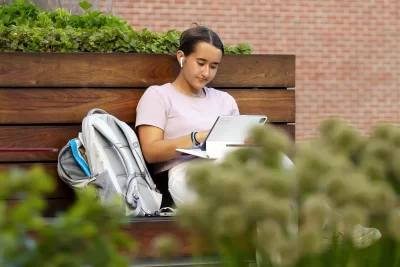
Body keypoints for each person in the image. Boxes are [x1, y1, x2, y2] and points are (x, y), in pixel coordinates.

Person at [135, 25, 239, 207]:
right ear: (182, 58)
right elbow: (150, 152)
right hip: (186, 173)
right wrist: (197, 137)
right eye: (201, 63)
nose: (206, 73)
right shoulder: (159, 96)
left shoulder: (225, 100)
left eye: (213, 66)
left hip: (230, 168)